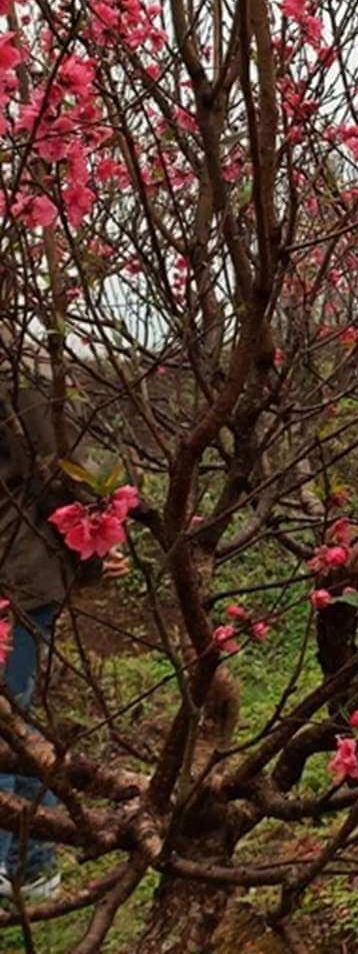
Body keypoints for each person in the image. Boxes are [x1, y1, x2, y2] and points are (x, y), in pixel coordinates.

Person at [0, 378, 125, 901]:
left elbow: (55, 467)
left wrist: (93, 542)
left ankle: (22, 863)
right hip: (19, 574)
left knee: (8, 724)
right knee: (18, 722)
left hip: (16, 579)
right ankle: (32, 864)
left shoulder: (14, 377)